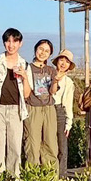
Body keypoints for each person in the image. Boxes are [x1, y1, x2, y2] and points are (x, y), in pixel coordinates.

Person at [0, 28, 32, 177]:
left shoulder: (25, 65)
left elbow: (27, 94)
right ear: (4, 43)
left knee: (15, 149)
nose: (11, 45)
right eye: (8, 41)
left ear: (20, 43)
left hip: (16, 111)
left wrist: (24, 77)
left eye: (14, 41)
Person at [24, 39, 59, 171]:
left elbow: (52, 91)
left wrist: (55, 81)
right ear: (35, 49)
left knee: (50, 143)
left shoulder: (51, 70)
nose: (42, 53)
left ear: (50, 55)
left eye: (46, 51)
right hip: (33, 108)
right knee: (33, 144)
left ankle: (51, 179)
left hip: (49, 108)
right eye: (41, 49)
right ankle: (33, 179)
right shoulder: (27, 68)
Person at [51, 50, 77, 177]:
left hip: (60, 111)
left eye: (67, 62)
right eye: (62, 60)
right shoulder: (48, 74)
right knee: (48, 146)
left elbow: (68, 104)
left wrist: (69, 123)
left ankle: (61, 176)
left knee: (62, 146)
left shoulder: (68, 82)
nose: (63, 64)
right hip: (46, 109)